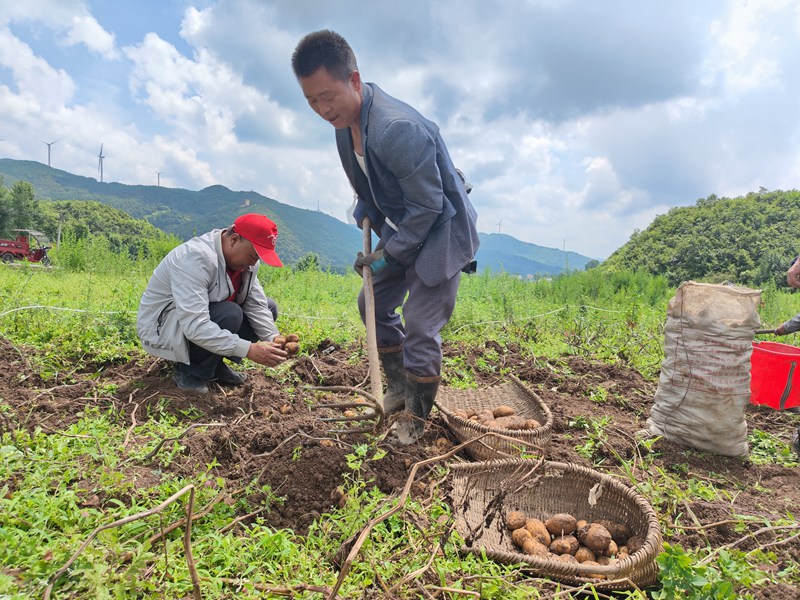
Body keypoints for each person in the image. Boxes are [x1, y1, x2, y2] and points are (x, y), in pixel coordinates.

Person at [291, 30, 480, 444]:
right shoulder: (344, 126)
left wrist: (387, 253)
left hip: (441, 231)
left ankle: (416, 416)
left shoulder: (397, 129)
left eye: (328, 97)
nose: (322, 109)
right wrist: (366, 207)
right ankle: (396, 389)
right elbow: (371, 184)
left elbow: (429, 208)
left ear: (354, 81)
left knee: (420, 325)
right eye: (311, 101)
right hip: (405, 225)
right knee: (371, 304)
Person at [137, 213, 288, 393]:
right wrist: (248, 350)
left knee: (269, 308)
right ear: (233, 239)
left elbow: (256, 304)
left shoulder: (247, 264)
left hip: (202, 321)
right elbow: (194, 324)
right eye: (253, 255)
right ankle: (191, 371)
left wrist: (274, 339)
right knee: (230, 313)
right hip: (166, 328)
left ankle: (214, 364)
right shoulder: (195, 258)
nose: (254, 262)